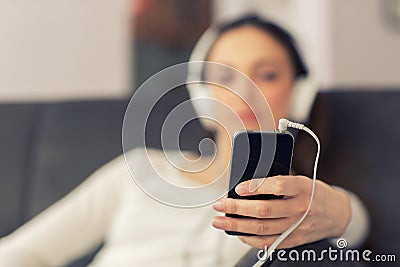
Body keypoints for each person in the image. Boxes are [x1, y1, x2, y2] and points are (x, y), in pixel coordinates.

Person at [0, 15, 369, 267]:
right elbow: (18, 253)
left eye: (267, 74)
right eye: (225, 76)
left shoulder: (299, 202)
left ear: (300, 94)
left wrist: (337, 210)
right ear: (200, 92)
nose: (245, 91)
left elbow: (350, 224)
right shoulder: (140, 170)